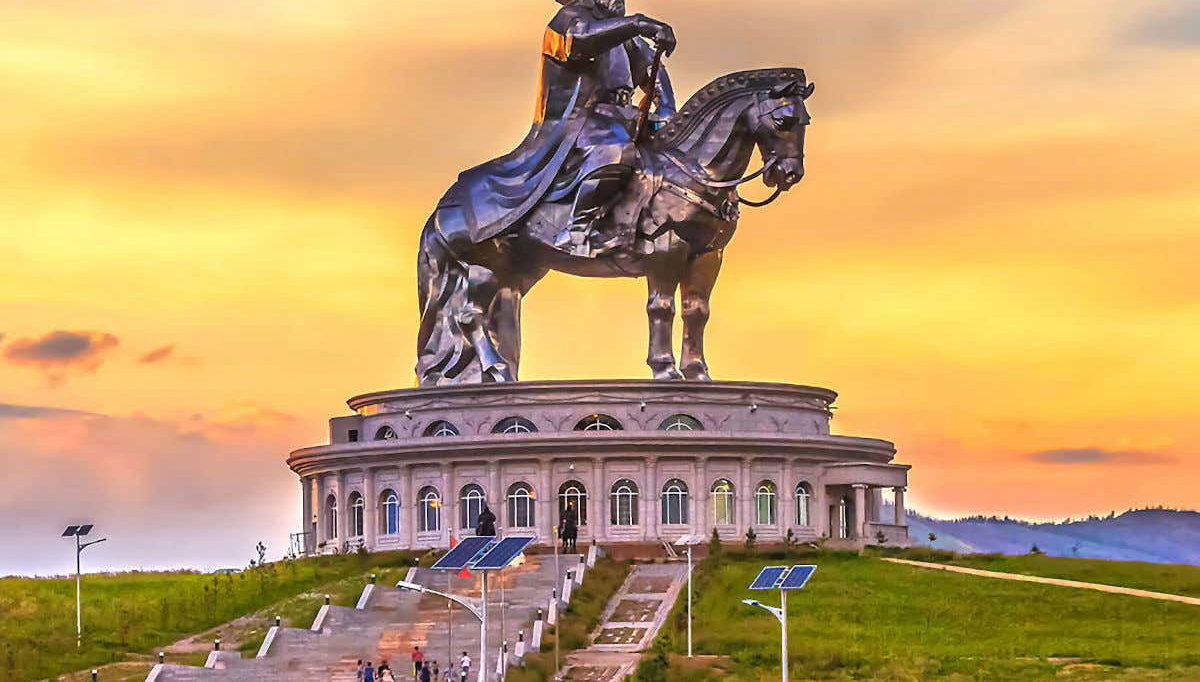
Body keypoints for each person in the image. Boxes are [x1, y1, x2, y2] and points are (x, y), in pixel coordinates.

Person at [433, 0, 678, 257]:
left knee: (667, 161)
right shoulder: (569, 20)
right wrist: (637, 23)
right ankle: (578, 230)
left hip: (623, 119)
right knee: (613, 150)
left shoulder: (627, 38)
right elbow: (582, 40)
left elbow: (652, 70)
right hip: (579, 124)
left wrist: (666, 110)